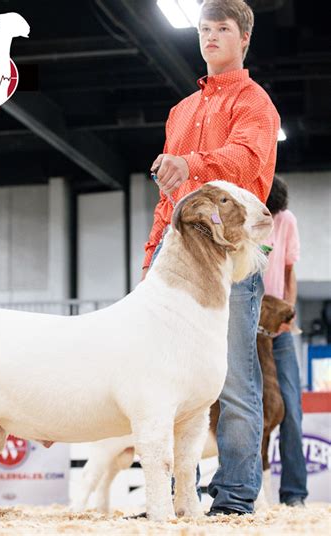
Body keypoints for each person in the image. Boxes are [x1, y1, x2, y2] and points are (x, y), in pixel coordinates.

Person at [143, 0, 280, 515]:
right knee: (165, 375)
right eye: (204, 29)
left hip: (230, 260)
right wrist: (153, 255)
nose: (210, 37)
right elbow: (168, 197)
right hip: (174, 263)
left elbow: (247, 163)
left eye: (222, 29)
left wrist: (190, 161)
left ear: (244, 39)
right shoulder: (180, 111)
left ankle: (237, 497)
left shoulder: (255, 103)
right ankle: (178, 498)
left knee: (234, 376)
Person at [263, 175, 308, 507]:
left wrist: (288, 315)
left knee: (291, 409)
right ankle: (246, 490)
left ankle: (294, 493)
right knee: (248, 409)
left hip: (278, 333)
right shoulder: (242, 215)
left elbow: (289, 271)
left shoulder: (285, 220)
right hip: (246, 332)